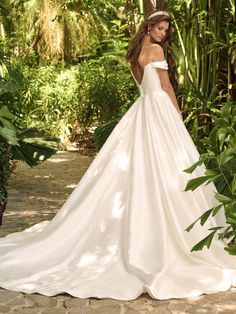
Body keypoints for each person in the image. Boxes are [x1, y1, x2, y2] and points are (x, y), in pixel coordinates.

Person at [0, 10, 235, 301]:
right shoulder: (156, 50)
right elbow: (166, 86)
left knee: (138, 168)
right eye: (160, 28)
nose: (163, 34)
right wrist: (178, 115)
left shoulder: (134, 51)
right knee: (171, 166)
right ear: (149, 27)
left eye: (165, 30)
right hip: (159, 110)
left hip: (142, 110)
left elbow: (144, 86)